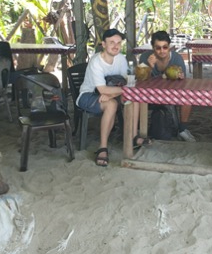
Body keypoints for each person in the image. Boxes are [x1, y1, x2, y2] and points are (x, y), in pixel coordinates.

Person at [77, 29, 145, 167]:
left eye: (119, 43)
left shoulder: (120, 58)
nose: (116, 46)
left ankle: (132, 136)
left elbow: (128, 81)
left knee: (134, 98)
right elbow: (102, 90)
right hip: (88, 95)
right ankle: (102, 147)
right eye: (112, 42)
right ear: (103, 44)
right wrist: (121, 91)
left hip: (111, 93)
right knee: (112, 104)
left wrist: (114, 93)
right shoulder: (96, 61)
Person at [139, 30, 196, 142]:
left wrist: (180, 77)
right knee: (135, 98)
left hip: (172, 95)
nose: (162, 51)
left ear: (169, 46)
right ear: (152, 47)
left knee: (188, 96)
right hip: (150, 95)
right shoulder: (145, 57)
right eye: (158, 48)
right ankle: (140, 131)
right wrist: (150, 66)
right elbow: (140, 82)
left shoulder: (177, 58)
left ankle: (183, 129)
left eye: (165, 47)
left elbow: (183, 83)